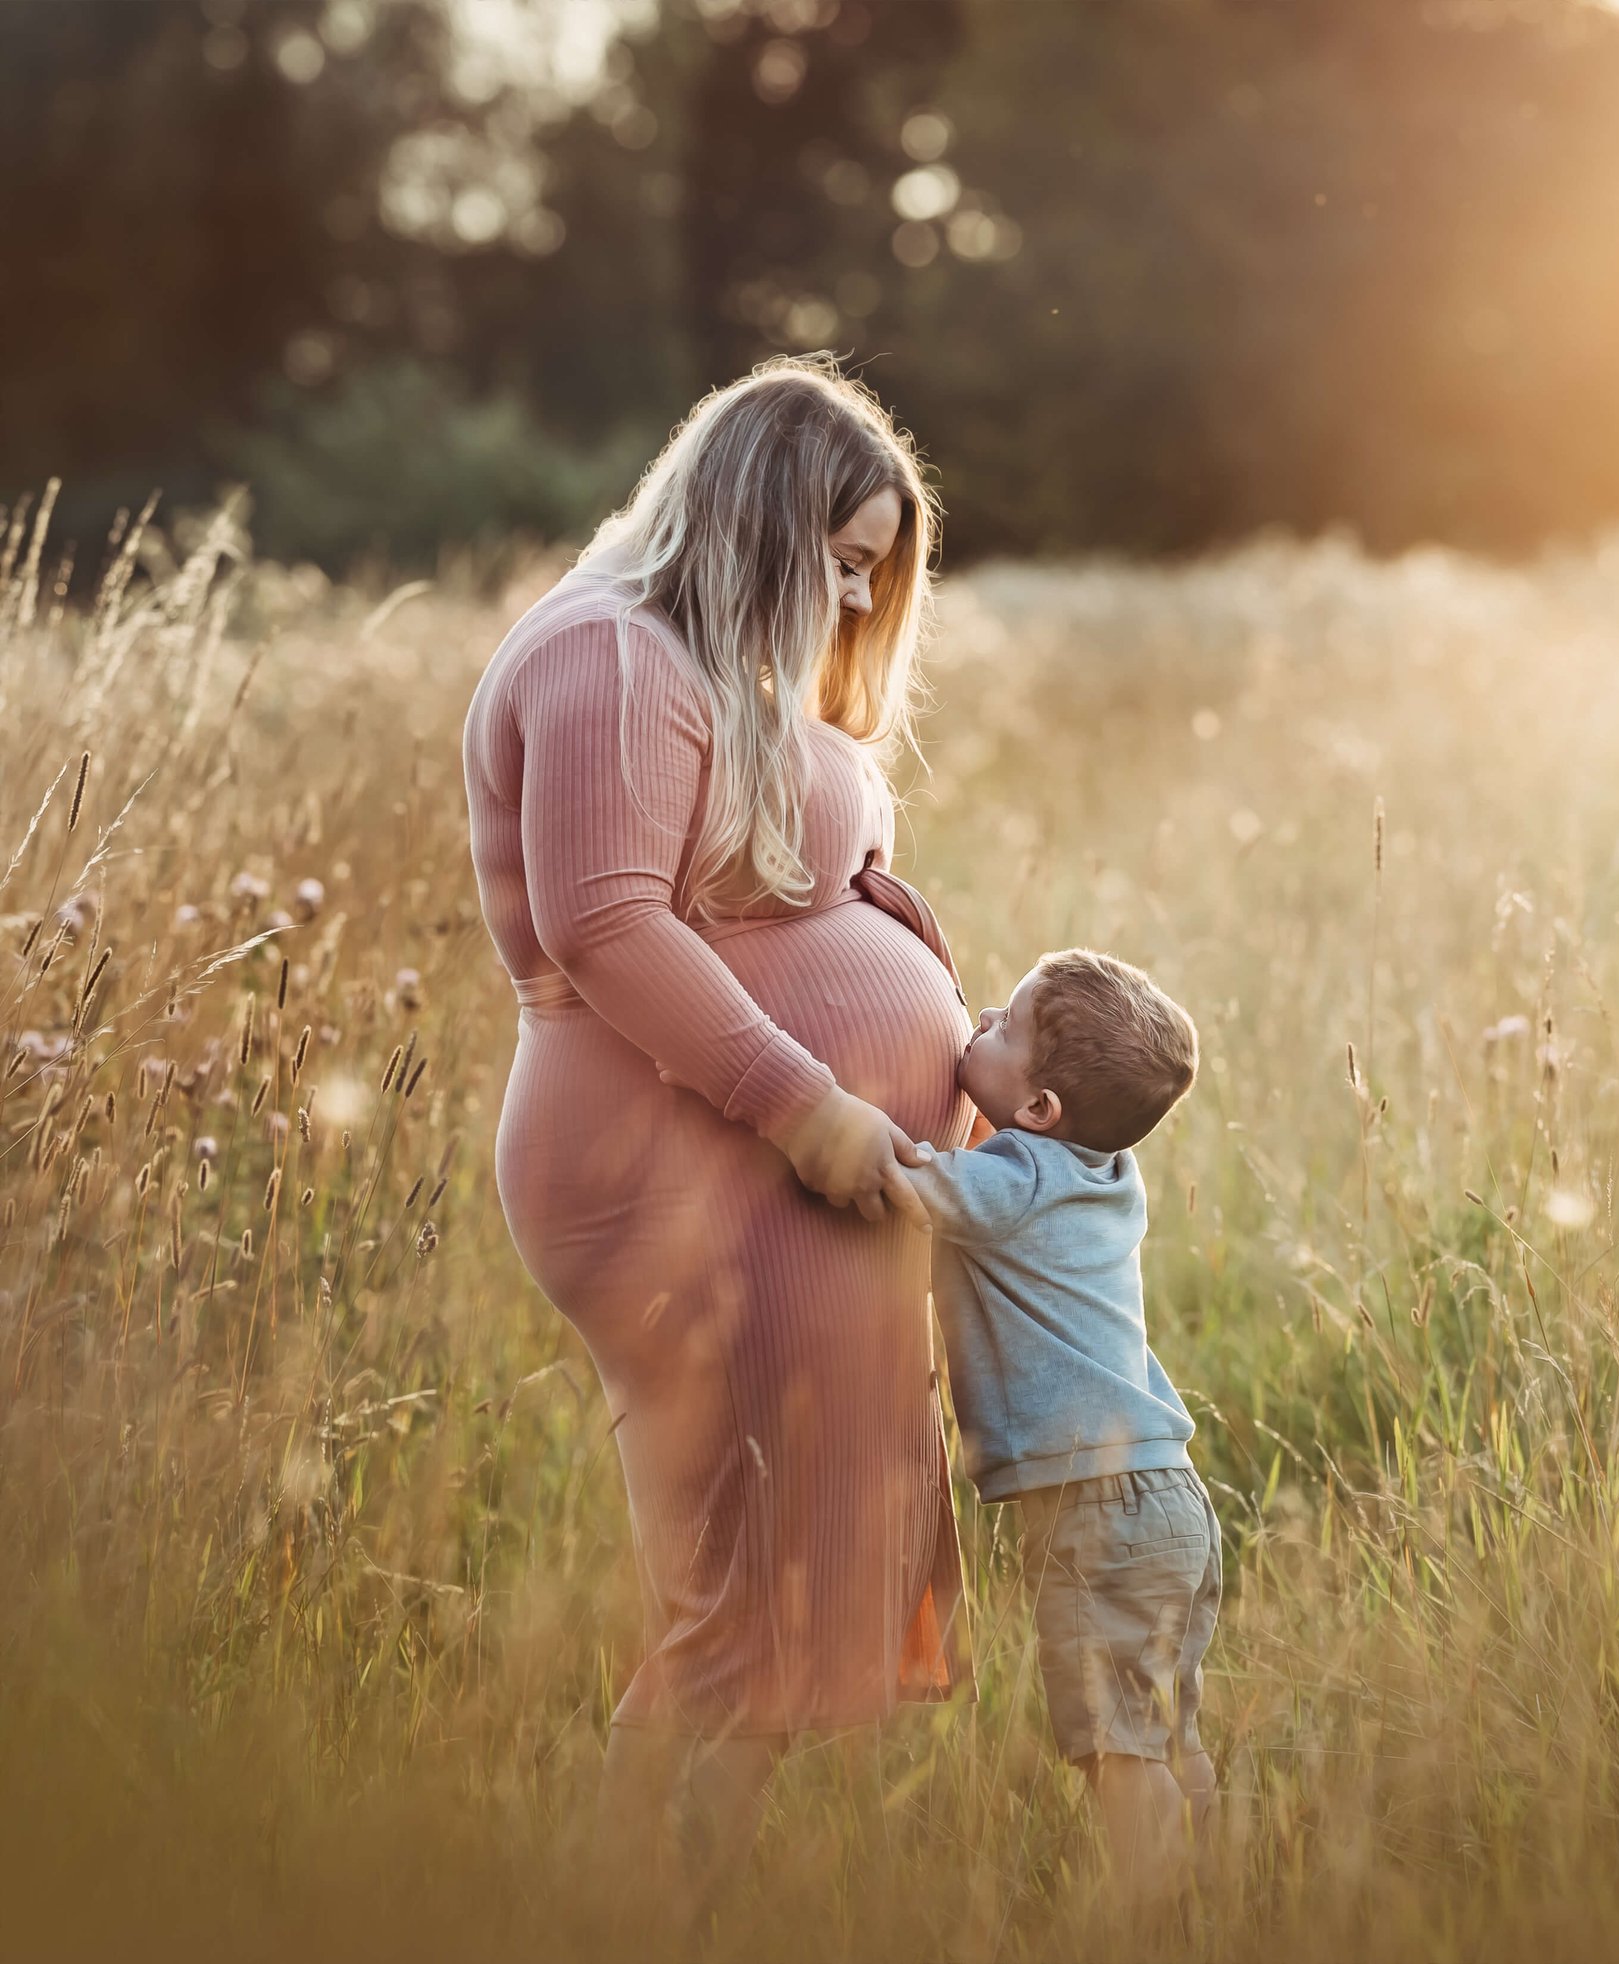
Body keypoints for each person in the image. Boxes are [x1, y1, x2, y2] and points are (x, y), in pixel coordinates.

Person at [460, 356, 969, 1924]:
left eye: (873, 571)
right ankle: (634, 1919)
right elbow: (606, 925)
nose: (849, 591)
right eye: (838, 554)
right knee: (732, 1591)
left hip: (764, 1173)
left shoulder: (703, 669)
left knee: (766, 1582)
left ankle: (698, 1909)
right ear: (752, 514)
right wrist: (811, 1105)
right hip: (679, 1165)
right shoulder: (608, 657)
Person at [897, 949, 1219, 1908]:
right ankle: (1218, 1902)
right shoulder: (1107, 1174)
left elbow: (902, 1181)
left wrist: (810, 1108)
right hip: (1168, 1503)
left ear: (1038, 1111)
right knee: (1165, 1735)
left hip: (1099, 1509)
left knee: (1116, 1752)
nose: (984, 1016)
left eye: (1005, 1027)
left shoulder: (1016, 1176)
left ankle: (1154, 1920)